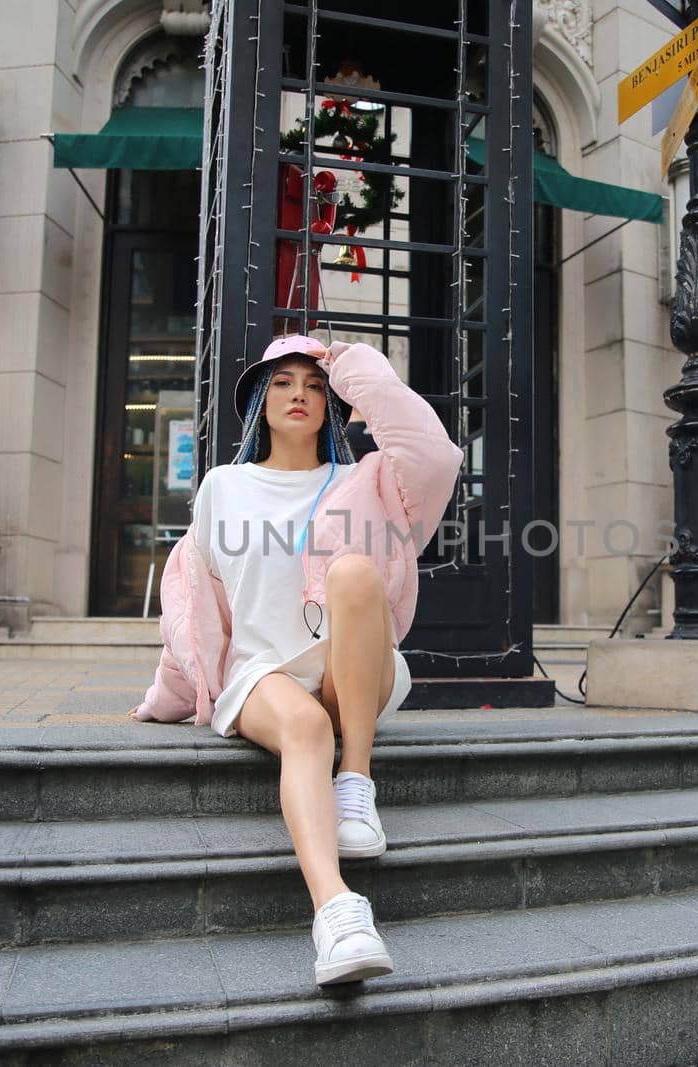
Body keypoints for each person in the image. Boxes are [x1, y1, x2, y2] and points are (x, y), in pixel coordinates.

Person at [128, 335, 464, 987]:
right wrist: (163, 697)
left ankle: (356, 783)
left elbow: (435, 454)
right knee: (305, 728)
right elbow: (198, 609)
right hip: (267, 677)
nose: (300, 394)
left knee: (357, 574)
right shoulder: (224, 487)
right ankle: (338, 913)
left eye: (313, 383)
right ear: (259, 399)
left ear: (332, 399)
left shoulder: (368, 480)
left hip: (354, 675)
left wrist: (357, 368)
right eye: (282, 382)